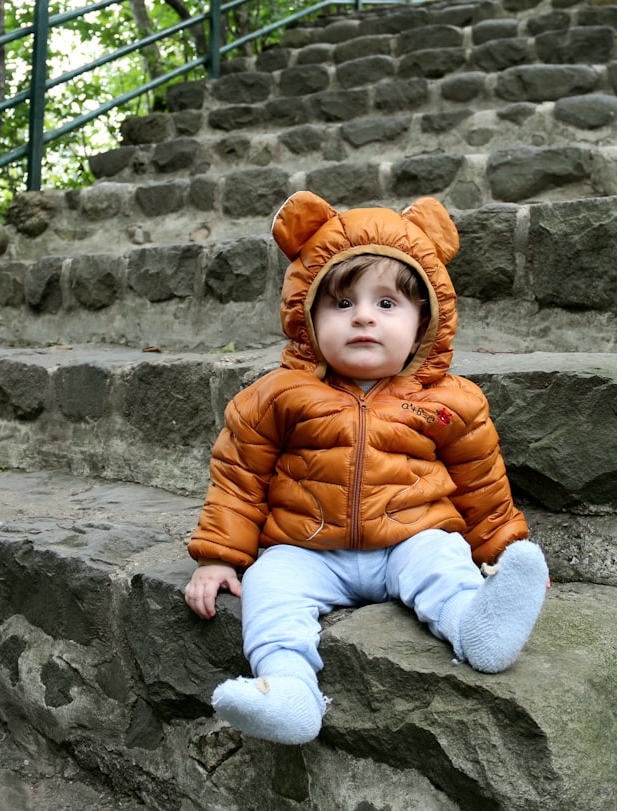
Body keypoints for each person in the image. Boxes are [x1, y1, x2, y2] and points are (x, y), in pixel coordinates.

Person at [184, 191, 549, 746]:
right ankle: (288, 688)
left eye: (386, 304)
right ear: (307, 315)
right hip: (307, 547)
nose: (362, 318)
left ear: (425, 318)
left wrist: (498, 551)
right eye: (341, 303)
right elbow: (240, 475)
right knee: (269, 587)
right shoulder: (278, 395)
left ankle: (480, 627)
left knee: (444, 564)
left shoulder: (452, 400)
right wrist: (217, 557)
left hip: (412, 536)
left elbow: (481, 482)